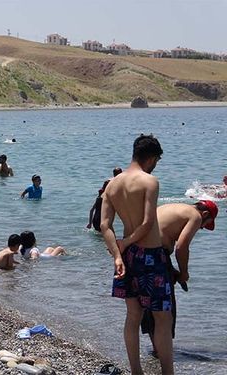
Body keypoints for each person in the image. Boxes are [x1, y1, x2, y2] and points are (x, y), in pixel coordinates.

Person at [100, 134, 173, 375]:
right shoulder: (149, 181)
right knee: (162, 319)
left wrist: (118, 254)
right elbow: (147, 222)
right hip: (151, 256)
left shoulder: (113, 184)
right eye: (157, 160)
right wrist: (128, 241)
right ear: (152, 158)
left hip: (127, 258)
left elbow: (104, 226)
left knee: (133, 316)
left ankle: (136, 372)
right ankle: (167, 373)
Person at [142, 200, 218, 357]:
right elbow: (181, 247)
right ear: (204, 214)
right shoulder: (195, 216)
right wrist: (184, 273)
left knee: (148, 301)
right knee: (165, 306)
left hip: (138, 252)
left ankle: (157, 348)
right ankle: (163, 352)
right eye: (205, 224)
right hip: (156, 255)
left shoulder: (173, 207)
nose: (201, 227)